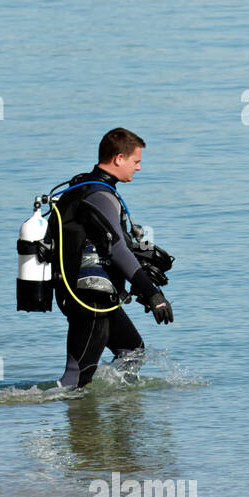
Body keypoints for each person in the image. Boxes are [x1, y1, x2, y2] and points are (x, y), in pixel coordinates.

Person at [52, 128, 172, 389]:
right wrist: (153, 294)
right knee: (76, 375)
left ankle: (119, 421)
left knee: (132, 351)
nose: (138, 168)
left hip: (91, 294)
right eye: (136, 161)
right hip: (90, 299)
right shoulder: (101, 195)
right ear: (119, 158)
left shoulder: (82, 189)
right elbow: (117, 249)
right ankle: (64, 422)